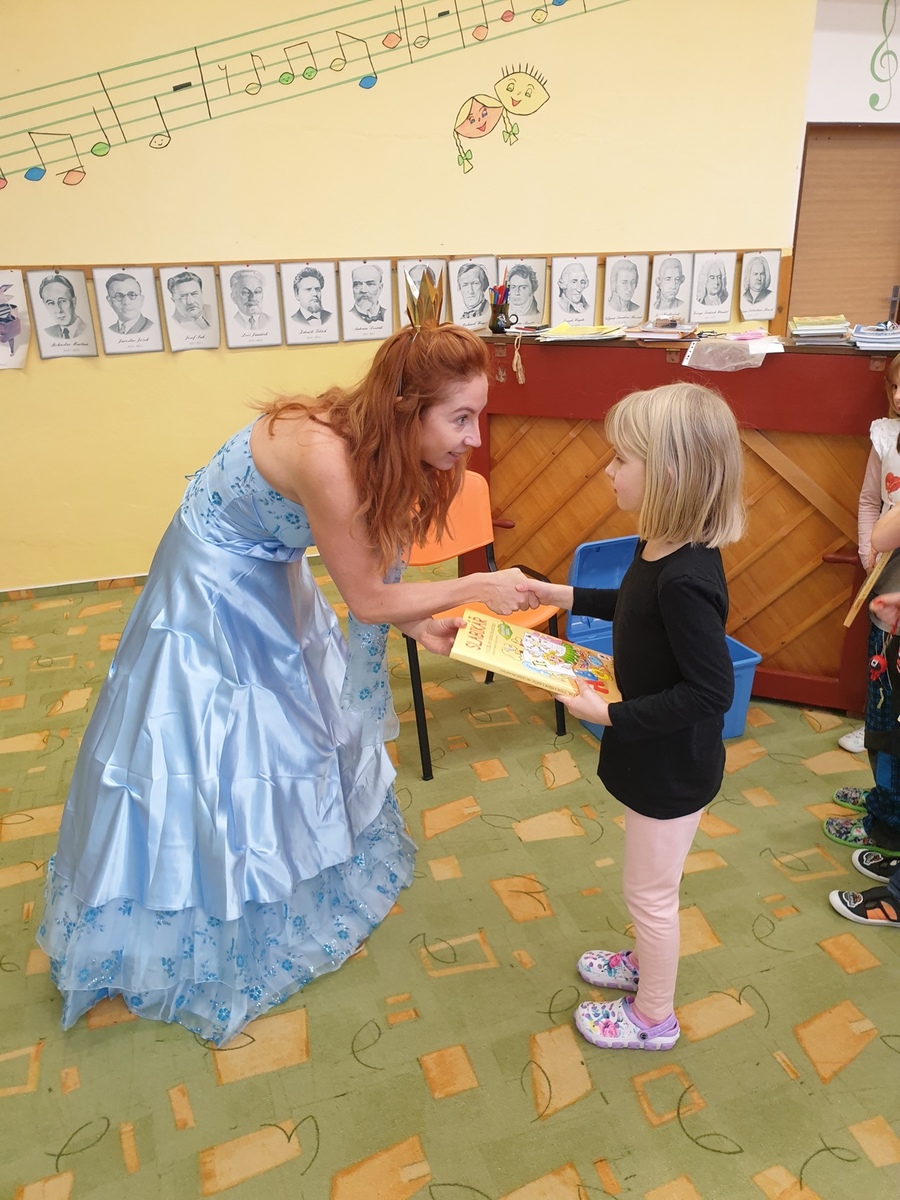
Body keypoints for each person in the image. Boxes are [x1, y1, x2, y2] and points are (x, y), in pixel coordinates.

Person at [37, 322, 537, 1046]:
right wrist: (477, 586)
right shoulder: (328, 459)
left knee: (296, 722)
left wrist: (419, 623)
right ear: (408, 410)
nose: (473, 438)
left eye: (477, 417)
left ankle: (291, 870)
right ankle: (188, 911)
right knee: (212, 737)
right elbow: (367, 597)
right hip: (212, 575)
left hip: (271, 559)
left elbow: (371, 576)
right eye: (461, 418)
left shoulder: (374, 441)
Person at [519, 383, 744, 1051]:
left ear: (669, 471)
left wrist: (611, 715)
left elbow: (713, 692)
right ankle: (644, 966)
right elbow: (632, 605)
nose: (608, 469)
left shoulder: (686, 577)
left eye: (622, 458)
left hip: (671, 766)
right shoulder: (660, 545)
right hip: (657, 755)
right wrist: (558, 593)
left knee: (650, 894)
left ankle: (653, 1018)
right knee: (648, 883)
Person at [825, 478, 900, 856]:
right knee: (881, 724)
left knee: (889, 733)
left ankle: (887, 825)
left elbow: (883, 535)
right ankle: (883, 799)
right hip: (892, 615)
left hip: (896, 631)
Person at [39, 274, 88, 340]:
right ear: (45, 305)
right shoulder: (47, 333)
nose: (58, 310)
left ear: (74, 302)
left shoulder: (88, 329)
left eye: (62, 301)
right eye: (50, 303)